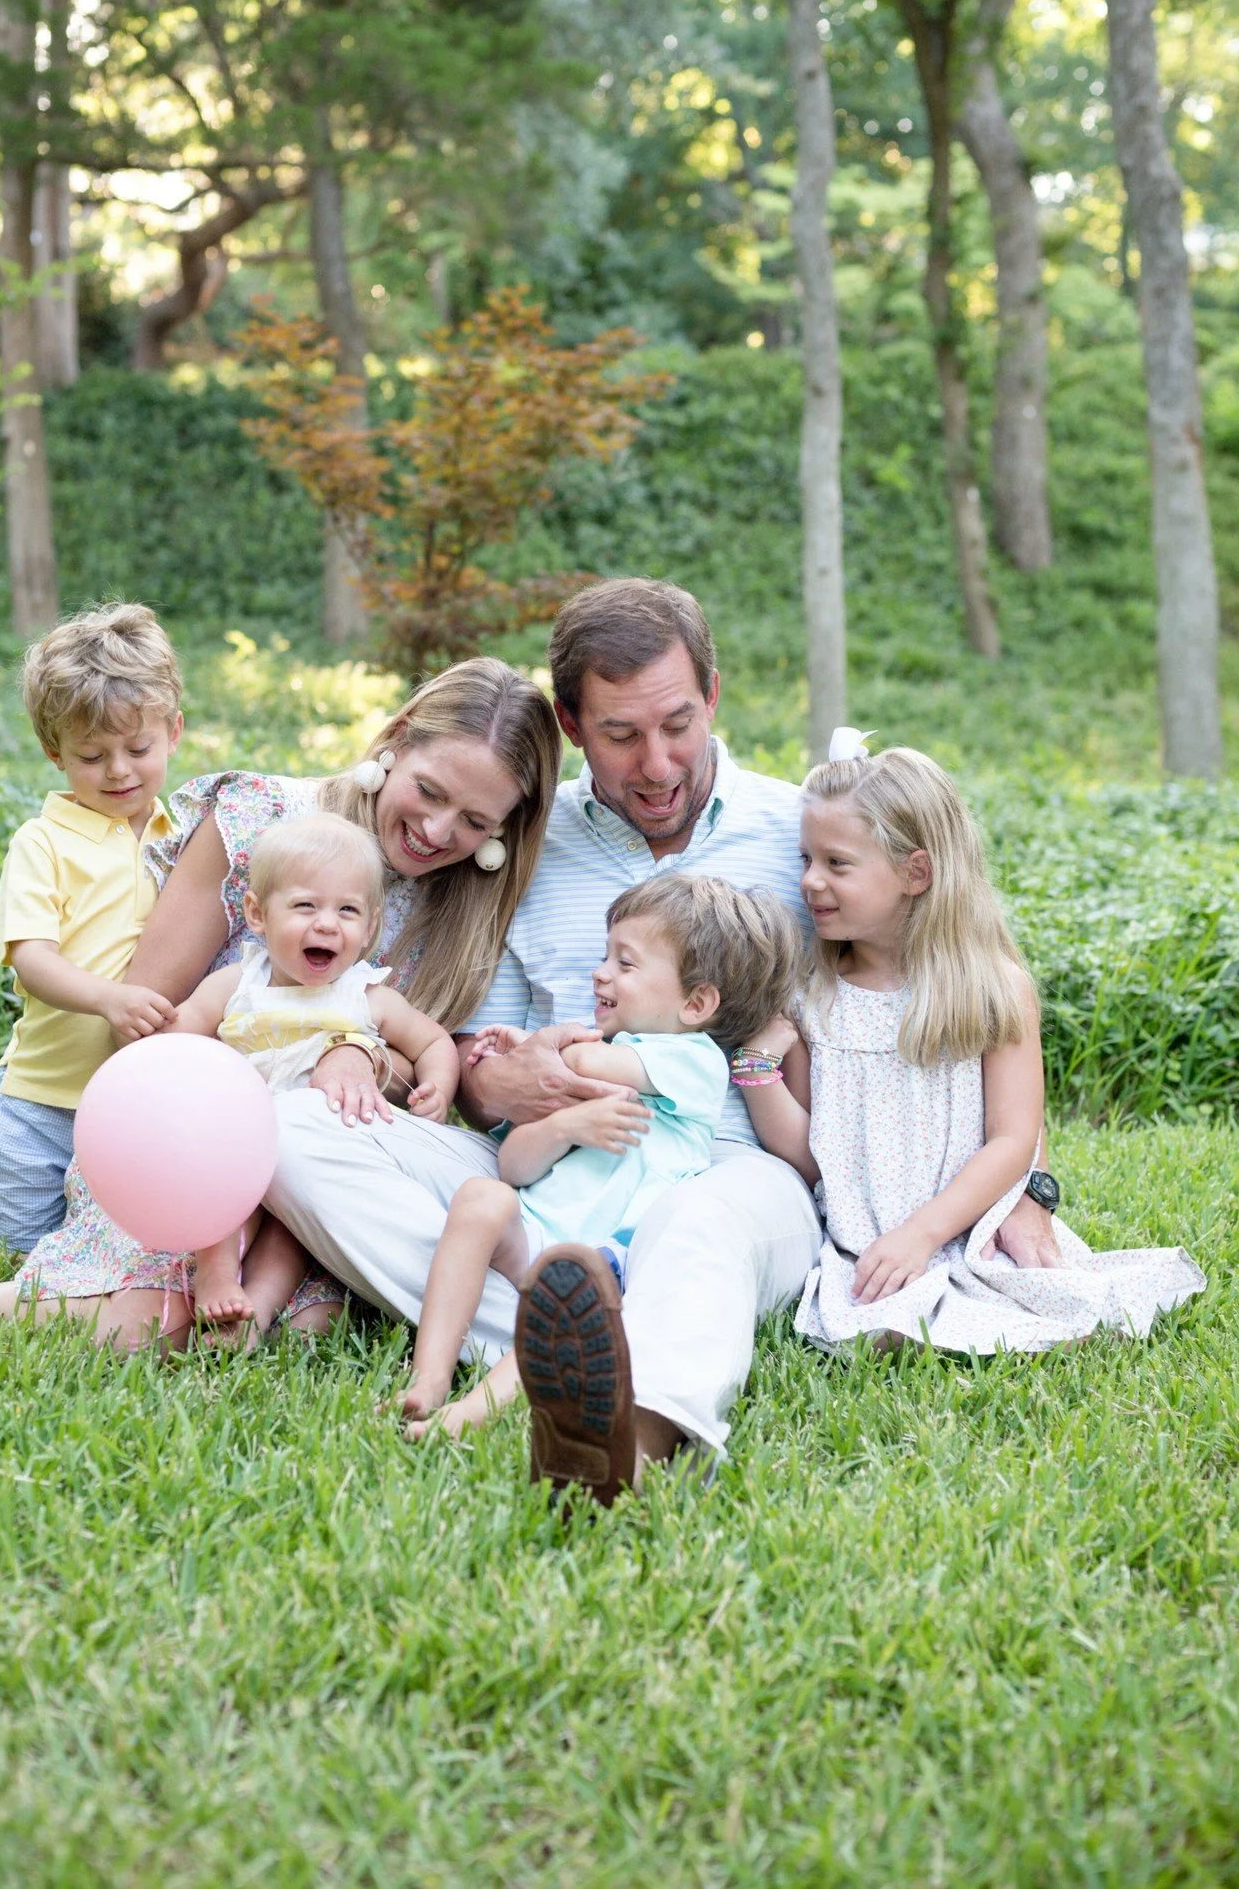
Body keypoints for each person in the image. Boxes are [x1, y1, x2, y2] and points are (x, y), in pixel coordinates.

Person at [261, 578, 1070, 1502]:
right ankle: (572, 1331)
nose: (656, 763)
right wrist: (503, 1082)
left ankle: (637, 1425)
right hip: (554, 1163)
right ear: (569, 724)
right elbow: (471, 1054)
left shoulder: (802, 838)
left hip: (733, 1154)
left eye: (677, 724)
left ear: (714, 695)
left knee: (699, 1227)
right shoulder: (524, 844)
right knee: (294, 1131)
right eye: (620, 735)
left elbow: (964, 983)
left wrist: (1030, 1185)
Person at [0, 658, 560, 1351]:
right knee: (150, 1323)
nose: (438, 831)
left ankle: (5, 1250)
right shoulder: (259, 818)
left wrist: (359, 1053)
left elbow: (417, 1058)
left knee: (307, 1322)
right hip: (191, 1130)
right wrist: (232, 1103)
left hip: (315, 1174)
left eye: (474, 820)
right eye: (430, 792)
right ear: (396, 743)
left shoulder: (468, 907)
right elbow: (146, 1028)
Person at [742, 736, 1204, 1351]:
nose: (809, 882)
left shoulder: (993, 989)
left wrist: (924, 1234)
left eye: (837, 863)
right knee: (877, 1325)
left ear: (917, 872)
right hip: (864, 1239)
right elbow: (811, 1152)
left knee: (1046, 1310)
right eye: (805, 859)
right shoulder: (811, 998)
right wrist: (756, 1070)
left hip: (970, 1224)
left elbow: (1013, 1139)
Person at [397, 876, 800, 1467]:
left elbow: (582, 1059)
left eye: (626, 963)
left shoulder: (693, 1062)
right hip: (536, 1229)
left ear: (695, 1004)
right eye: (605, 955)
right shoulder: (606, 1061)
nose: (601, 973)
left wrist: (535, 1050)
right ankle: (428, 1379)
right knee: (481, 1196)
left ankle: (471, 1412)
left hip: (611, 1256)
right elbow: (513, 1165)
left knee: (571, 1295)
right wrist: (563, 1126)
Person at [0, 602, 185, 1254]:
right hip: (40, 1101)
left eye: (138, 748)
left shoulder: (182, 838)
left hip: (135, 1105)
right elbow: (30, 957)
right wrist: (109, 997)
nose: (120, 770)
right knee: (12, 1250)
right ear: (54, 752)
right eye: (93, 755)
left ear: (174, 732)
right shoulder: (43, 842)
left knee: (98, 1252)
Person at [178, 812, 460, 1335]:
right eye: (305, 905)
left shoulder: (368, 996)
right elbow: (181, 1036)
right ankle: (216, 1275)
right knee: (219, 1186)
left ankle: (255, 1309)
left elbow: (432, 1041)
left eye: (347, 910)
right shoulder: (237, 986)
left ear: (370, 927)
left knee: (297, 1227)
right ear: (258, 915)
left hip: (315, 1160)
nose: (327, 924)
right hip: (236, 1140)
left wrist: (437, 1086)